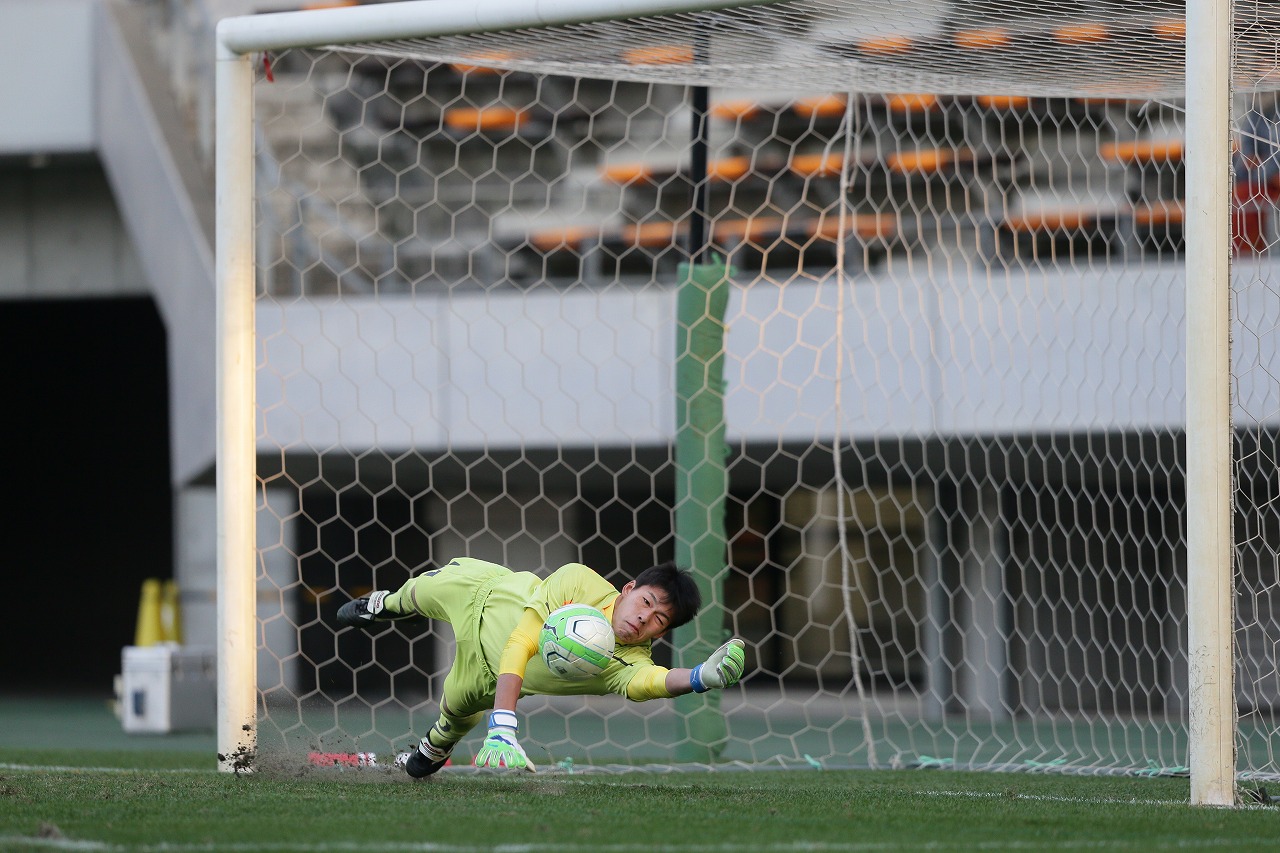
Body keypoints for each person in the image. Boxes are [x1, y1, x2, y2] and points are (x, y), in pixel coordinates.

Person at [335, 557, 747, 776]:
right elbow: (522, 640)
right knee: (425, 589)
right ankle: (382, 605)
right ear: (628, 590)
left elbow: (649, 682)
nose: (645, 617)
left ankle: (435, 746)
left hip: (488, 674)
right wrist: (504, 726)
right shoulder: (578, 581)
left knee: (456, 711)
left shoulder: (629, 660)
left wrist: (698, 678)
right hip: (483, 593)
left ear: (661, 634)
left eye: (660, 619)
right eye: (646, 602)